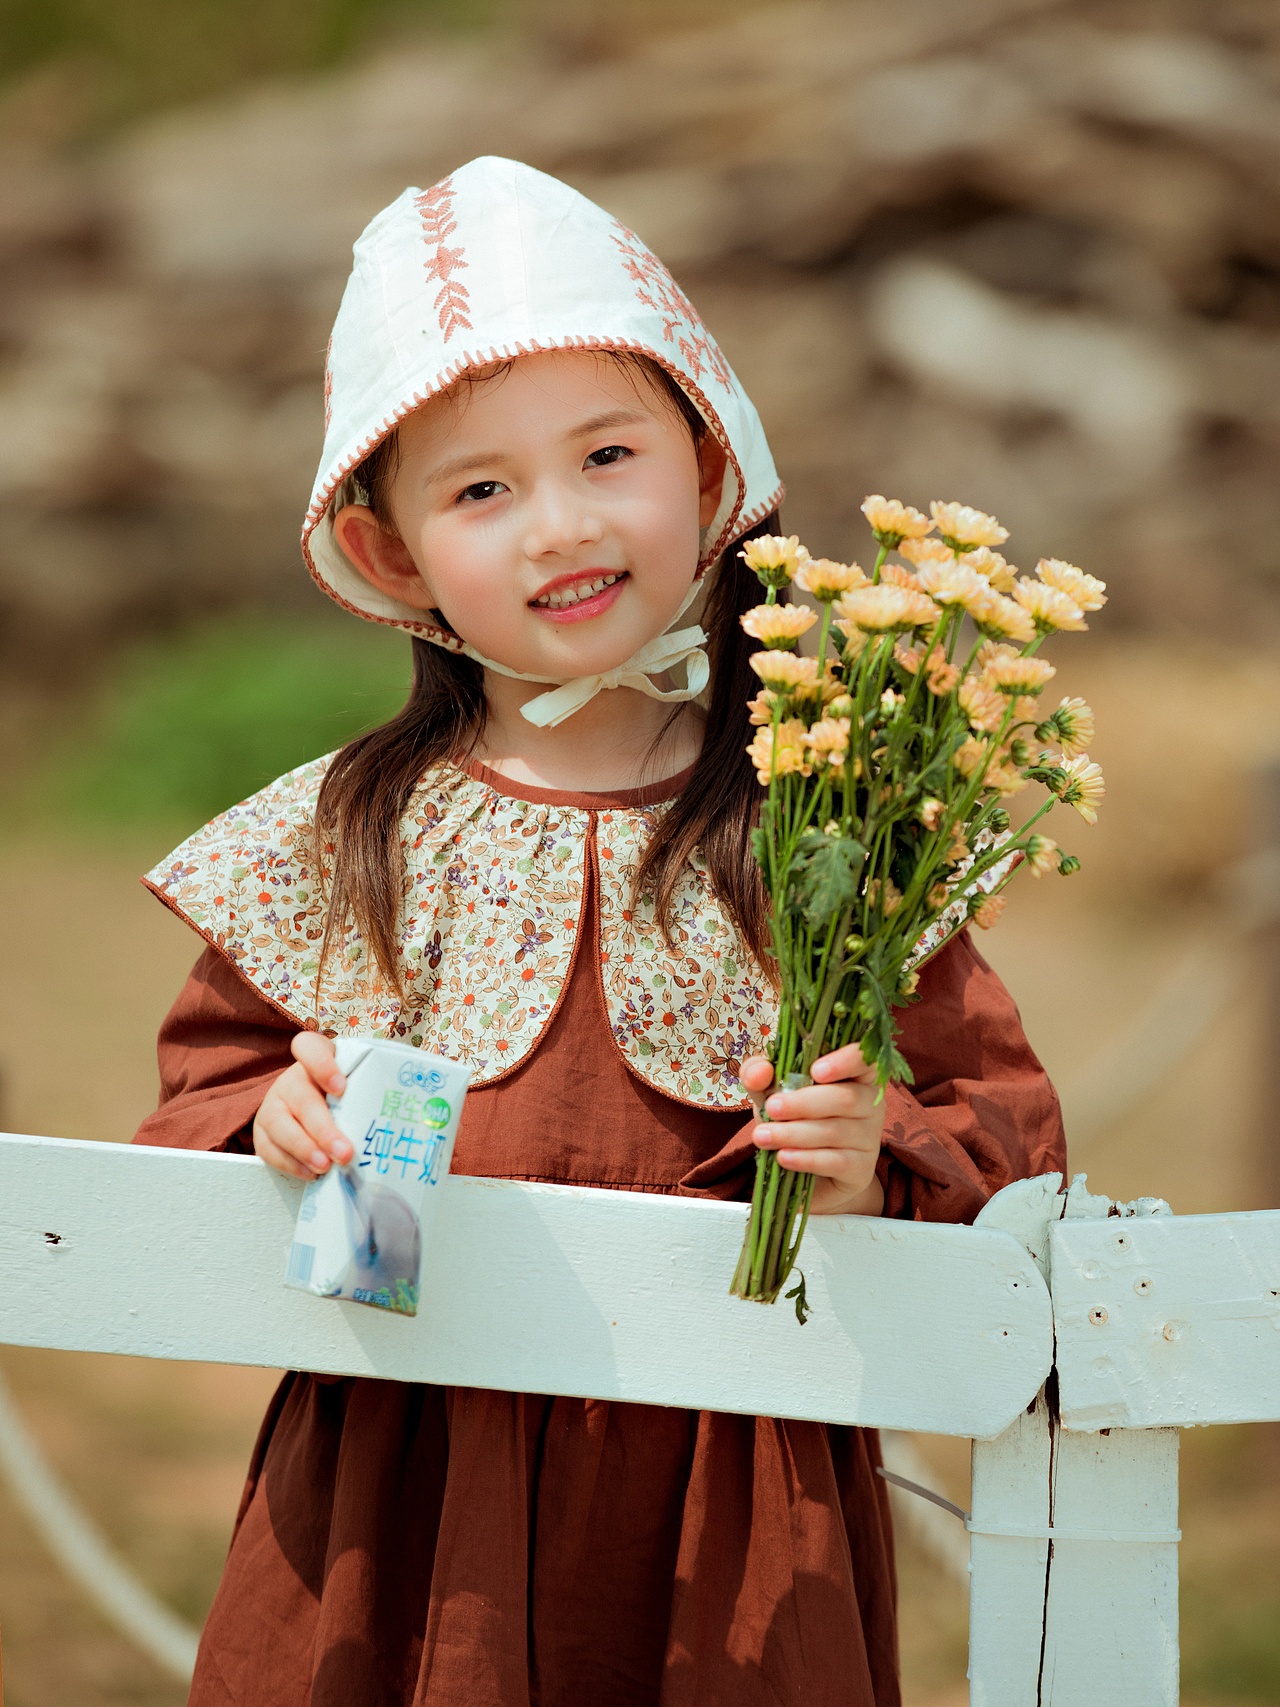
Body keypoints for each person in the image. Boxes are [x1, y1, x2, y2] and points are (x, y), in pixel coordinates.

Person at [135, 157, 1064, 1707]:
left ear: (706, 467)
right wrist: (274, 1125)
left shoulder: (833, 816)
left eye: (608, 455)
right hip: (405, 1480)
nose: (559, 526)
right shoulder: (350, 829)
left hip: (734, 1507)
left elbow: (1006, 1146)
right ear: (392, 553)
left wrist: (868, 1164)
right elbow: (200, 1104)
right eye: (480, 490)